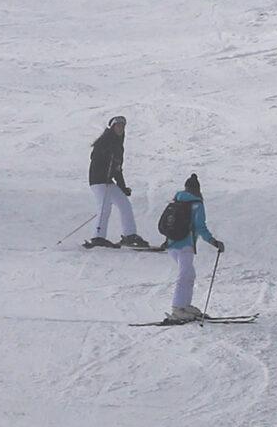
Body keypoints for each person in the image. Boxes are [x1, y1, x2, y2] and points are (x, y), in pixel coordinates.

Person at [157, 173, 224, 322]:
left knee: (189, 274)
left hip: (172, 245)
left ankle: (184, 305)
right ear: (197, 189)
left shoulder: (176, 201)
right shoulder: (196, 204)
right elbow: (200, 227)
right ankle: (177, 308)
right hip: (185, 245)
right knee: (184, 275)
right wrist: (213, 241)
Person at [83, 116, 149, 249]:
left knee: (125, 204)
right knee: (104, 207)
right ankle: (98, 237)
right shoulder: (104, 142)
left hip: (108, 181)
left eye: (123, 126)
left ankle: (129, 235)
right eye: (118, 126)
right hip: (98, 181)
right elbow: (95, 158)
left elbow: (118, 170)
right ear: (112, 127)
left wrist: (122, 187)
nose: (121, 128)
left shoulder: (118, 146)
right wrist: (105, 164)